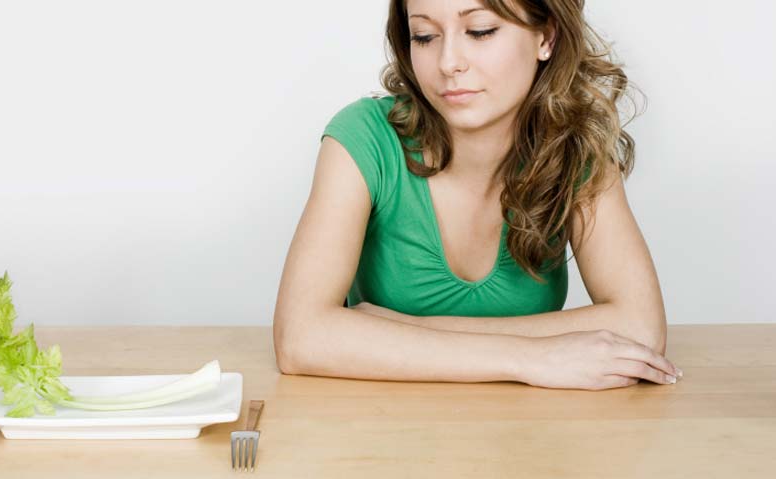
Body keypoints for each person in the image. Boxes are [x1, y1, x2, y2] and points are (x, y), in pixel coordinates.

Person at [273, 0, 682, 391]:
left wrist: (398, 330)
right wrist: (532, 358)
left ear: (547, 38)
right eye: (424, 36)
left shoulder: (575, 147)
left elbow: (640, 327)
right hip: (383, 429)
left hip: (528, 434)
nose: (449, 62)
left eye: (480, 31)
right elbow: (300, 337)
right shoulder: (363, 137)